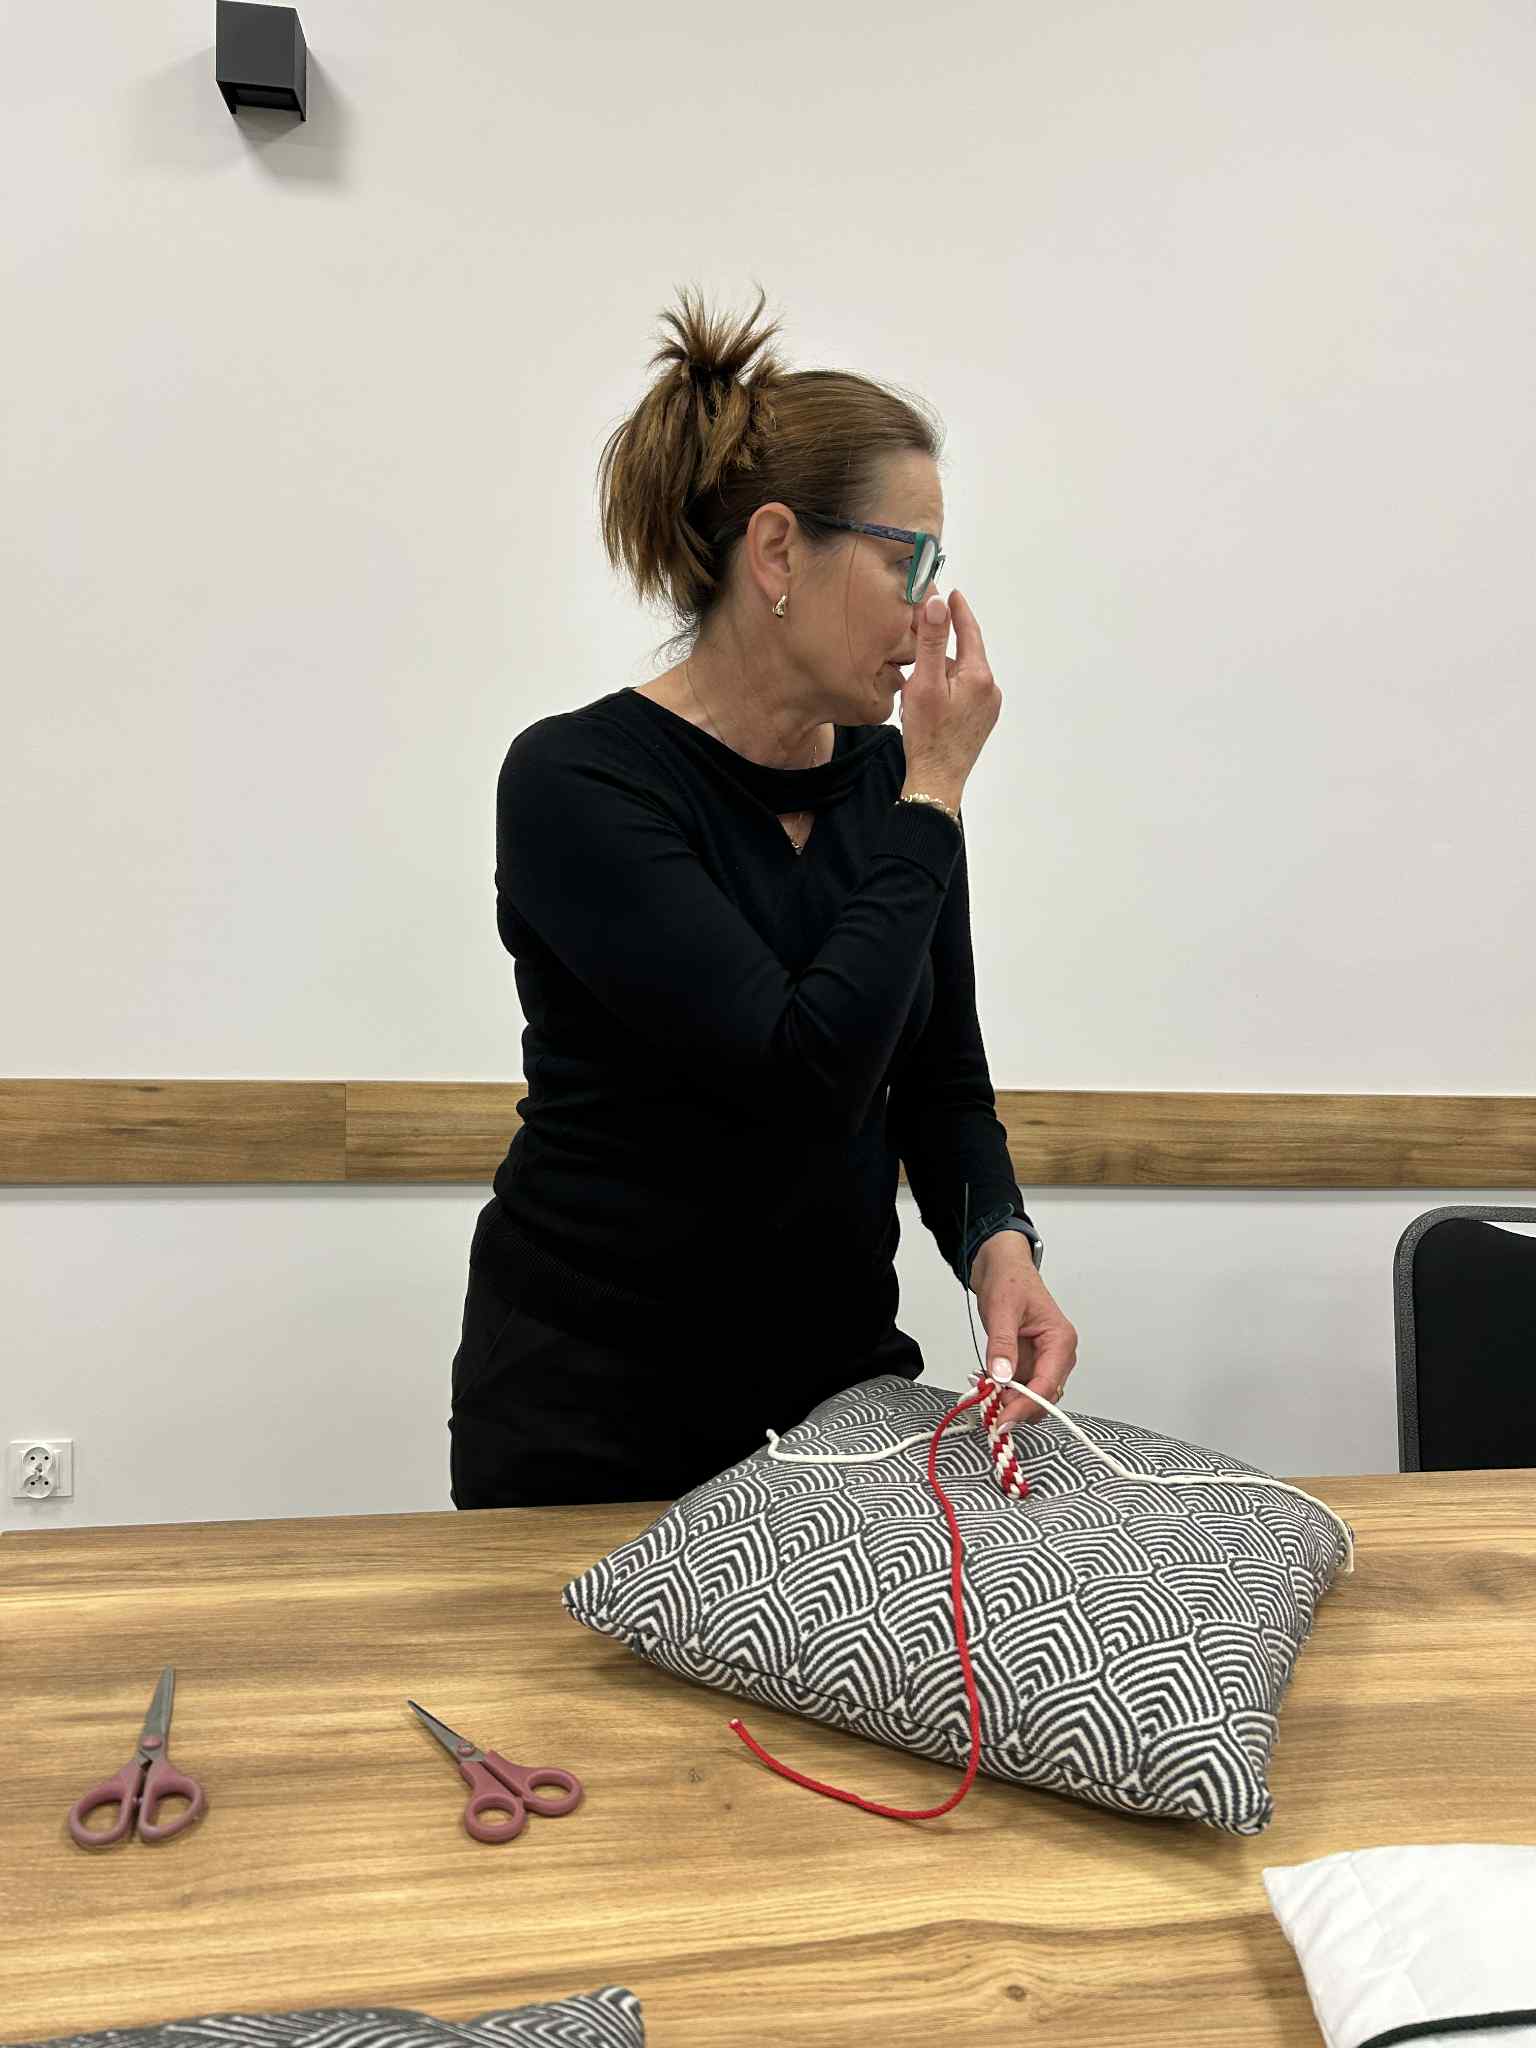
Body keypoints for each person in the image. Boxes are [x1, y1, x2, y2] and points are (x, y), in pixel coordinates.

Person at [448, 281, 1077, 1510]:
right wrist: (934, 794)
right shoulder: (578, 781)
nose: (931, 610)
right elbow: (801, 1076)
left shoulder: (893, 783)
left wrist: (998, 1241)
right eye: (909, 559)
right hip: (593, 1419)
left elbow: (938, 1080)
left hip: (837, 1403)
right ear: (779, 550)